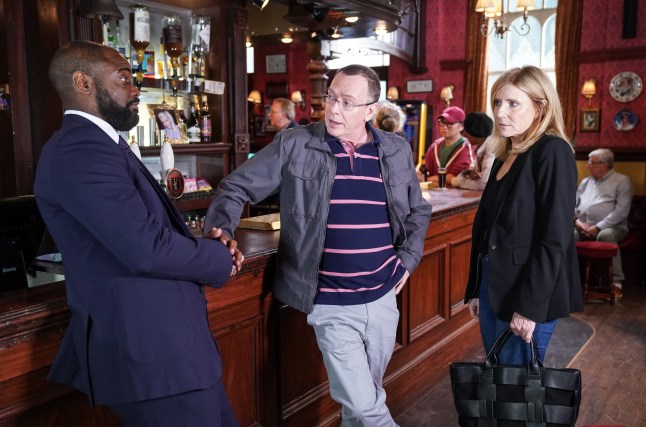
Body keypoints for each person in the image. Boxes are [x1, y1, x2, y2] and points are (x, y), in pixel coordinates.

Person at [205, 64, 433, 426]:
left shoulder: (395, 149)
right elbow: (234, 188)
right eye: (331, 98)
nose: (333, 109)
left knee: (364, 401)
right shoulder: (295, 143)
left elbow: (419, 211)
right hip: (330, 302)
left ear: (370, 110)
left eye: (347, 102)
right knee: (365, 407)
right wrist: (220, 231)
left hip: (383, 297)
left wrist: (408, 259)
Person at [34, 41, 241, 427]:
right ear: (83, 82)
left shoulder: (102, 143)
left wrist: (208, 246)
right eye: (124, 78)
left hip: (172, 353)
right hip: (152, 356)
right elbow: (145, 247)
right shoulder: (80, 149)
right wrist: (218, 257)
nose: (135, 88)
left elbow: (149, 231)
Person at [463, 65, 583, 365]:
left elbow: (555, 239)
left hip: (527, 289)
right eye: (497, 103)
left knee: (516, 391)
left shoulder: (552, 151)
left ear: (540, 107)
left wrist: (529, 307)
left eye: (513, 104)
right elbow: (490, 230)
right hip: (494, 281)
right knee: (498, 379)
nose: (501, 113)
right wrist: (477, 286)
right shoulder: (508, 152)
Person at [574, 148, 634, 299]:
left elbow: (621, 212)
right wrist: (578, 223)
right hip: (583, 225)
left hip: (613, 227)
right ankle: (570, 280)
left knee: (605, 236)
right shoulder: (585, 182)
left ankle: (616, 284)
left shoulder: (622, 181)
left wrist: (598, 227)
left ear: (604, 164)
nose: (587, 165)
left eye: (591, 162)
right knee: (567, 236)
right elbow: (573, 206)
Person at [422, 106, 474, 186]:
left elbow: (455, 178)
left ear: (461, 126)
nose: (444, 127)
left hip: (456, 195)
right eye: (442, 123)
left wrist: (428, 179)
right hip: (433, 194)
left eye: (449, 124)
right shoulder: (435, 145)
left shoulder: (467, 147)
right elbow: (424, 172)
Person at [451, 112, 494, 191]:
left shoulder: (491, 150)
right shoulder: (482, 146)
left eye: (467, 134)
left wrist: (458, 182)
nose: (465, 136)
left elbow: (484, 184)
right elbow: (472, 171)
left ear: (476, 132)